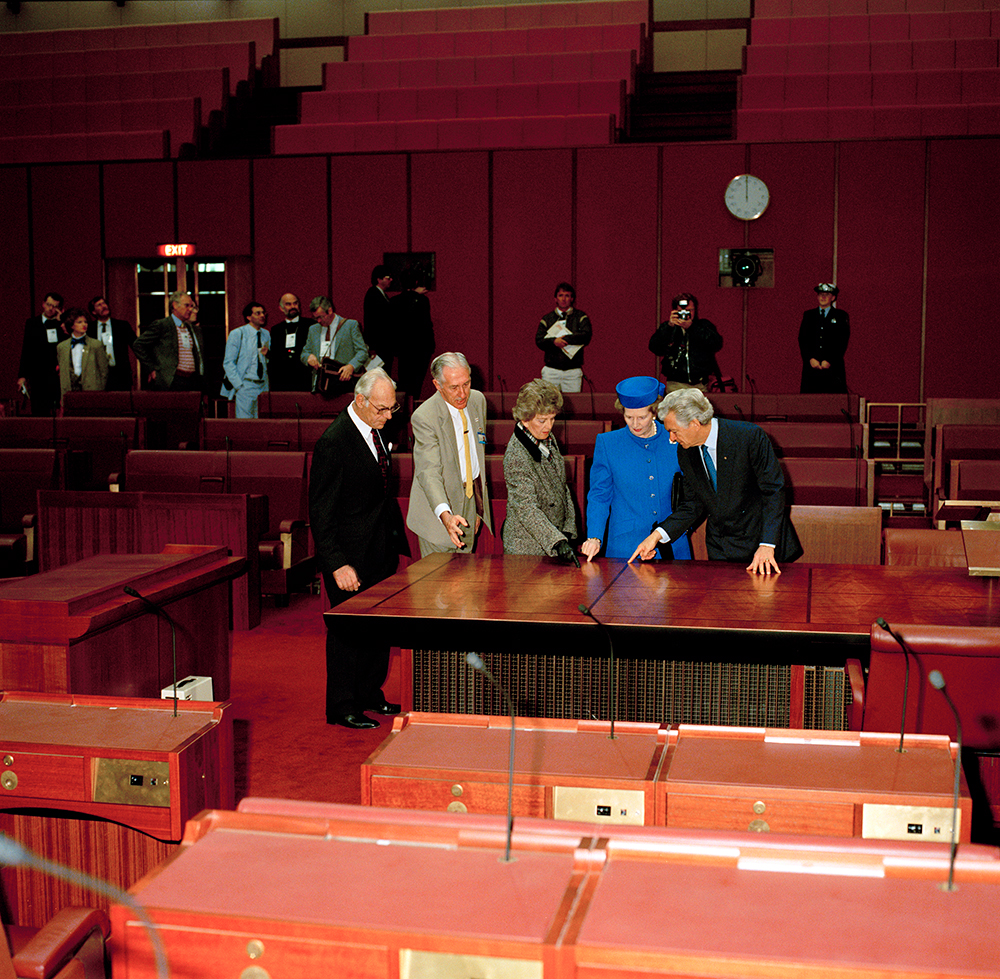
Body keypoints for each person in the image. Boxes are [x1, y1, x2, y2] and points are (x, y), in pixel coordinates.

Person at [308, 368, 407, 728]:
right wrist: (336, 563)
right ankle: (341, 705)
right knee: (348, 631)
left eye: (391, 409)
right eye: (381, 409)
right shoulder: (334, 442)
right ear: (360, 400)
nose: (387, 416)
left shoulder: (377, 430)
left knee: (377, 628)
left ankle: (368, 693)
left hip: (379, 550)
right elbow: (320, 511)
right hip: (348, 557)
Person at [629, 388, 802, 575]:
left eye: (674, 431)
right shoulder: (686, 451)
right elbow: (693, 504)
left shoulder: (748, 437)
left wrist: (767, 544)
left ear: (695, 423)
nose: (672, 439)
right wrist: (656, 536)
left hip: (762, 546)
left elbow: (773, 492)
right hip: (721, 548)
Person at [581, 376, 693, 563]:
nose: (635, 424)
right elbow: (599, 495)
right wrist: (594, 536)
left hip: (673, 543)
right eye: (628, 417)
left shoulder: (675, 438)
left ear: (655, 412)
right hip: (626, 545)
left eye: (642, 417)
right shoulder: (608, 443)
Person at [406, 351, 493, 556]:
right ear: (437, 385)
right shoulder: (424, 417)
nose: (462, 394)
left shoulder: (478, 400)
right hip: (437, 510)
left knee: (467, 579)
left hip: (470, 502)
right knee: (440, 584)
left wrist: (477, 508)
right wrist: (445, 515)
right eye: (454, 387)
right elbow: (429, 472)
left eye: (466, 384)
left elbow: (477, 456)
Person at [502, 379, 578, 562]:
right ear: (525, 419)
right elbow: (526, 509)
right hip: (527, 549)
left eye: (552, 419)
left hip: (555, 536)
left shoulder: (546, 436)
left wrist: (569, 528)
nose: (549, 426)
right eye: (542, 420)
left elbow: (561, 485)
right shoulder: (516, 456)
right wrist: (557, 542)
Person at [133, 291, 206, 392]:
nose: (190, 309)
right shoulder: (162, 325)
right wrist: (151, 368)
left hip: (191, 380)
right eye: (187, 305)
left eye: (191, 306)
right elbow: (138, 345)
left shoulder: (192, 328)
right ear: (175, 305)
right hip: (171, 380)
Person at [648, 293, 723, 392]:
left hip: (700, 384)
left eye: (689, 310)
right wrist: (669, 327)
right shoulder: (669, 328)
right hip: (675, 384)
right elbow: (655, 348)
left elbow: (716, 344)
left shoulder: (704, 326)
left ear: (695, 310)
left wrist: (692, 328)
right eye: (681, 311)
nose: (685, 314)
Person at [300, 296, 367, 395]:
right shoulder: (313, 329)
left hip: (343, 383)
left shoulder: (350, 325)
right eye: (315, 317)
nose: (318, 321)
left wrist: (351, 366)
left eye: (320, 317)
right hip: (320, 385)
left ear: (330, 311)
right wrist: (308, 357)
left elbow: (362, 352)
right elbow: (304, 353)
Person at [535, 282, 592, 393]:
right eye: (561, 296)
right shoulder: (547, 319)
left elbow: (586, 336)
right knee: (548, 406)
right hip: (551, 370)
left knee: (574, 406)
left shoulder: (581, 317)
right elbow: (539, 340)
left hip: (573, 371)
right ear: (555, 298)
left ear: (572, 298)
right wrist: (554, 342)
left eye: (567, 296)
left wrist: (566, 339)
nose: (564, 299)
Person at [17, 291, 66, 415]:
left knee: (58, 411)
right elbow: (26, 350)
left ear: (59, 309)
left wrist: (61, 322)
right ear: (43, 304)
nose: (50, 309)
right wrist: (22, 375)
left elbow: (66, 344)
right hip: (38, 375)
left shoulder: (61, 325)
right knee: (39, 411)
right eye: (49, 304)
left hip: (58, 374)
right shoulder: (32, 323)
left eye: (54, 306)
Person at [390, 268, 435, 400]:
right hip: (421, 348)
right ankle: (413, 409)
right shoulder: (422, 301)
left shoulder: (394, 301)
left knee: (404, 381)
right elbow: (426, 325)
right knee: (417, 383)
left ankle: (404, 410)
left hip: (403, 349)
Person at [220, 302, 270, 418]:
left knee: (262, 420)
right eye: (258, 313)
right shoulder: (238, 333)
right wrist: (239, 385)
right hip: (246, 383)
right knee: (245, 422)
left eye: (263, 313)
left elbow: (265, 360)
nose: (262, 315)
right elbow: (228, 362)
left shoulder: (266, 334)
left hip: (262, 385)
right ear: (249, 317)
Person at [799, 282, 849, 393]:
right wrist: (810, 359)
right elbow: (803, 339)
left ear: (833, 297)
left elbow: (842, 341)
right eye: (821, 294)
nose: (823, 297)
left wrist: (830, 360)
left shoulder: (840, 316)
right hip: (812, 368)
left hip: (833, 368)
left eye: (827, 294)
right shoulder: (808, 315)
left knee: (833, 402)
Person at [56, 307, 108, 405]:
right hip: (70, 392)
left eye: (85, 322)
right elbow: (62, 372)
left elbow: (103, 372)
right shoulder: (61, 347)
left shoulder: (96, 345)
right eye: (79, 322)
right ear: (71, 325)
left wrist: (99, 391)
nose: (84, 324)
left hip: (91, 392)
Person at [87, 296, 135, 391]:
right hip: (97, 375)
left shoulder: (122, 326)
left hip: (120, 374)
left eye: (104, 303)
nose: (103, 306)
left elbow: (137, 346)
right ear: (93, 312)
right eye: (99, 305)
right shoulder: (89, 329)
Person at [268, 292, 313, 392]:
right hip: (282, 380)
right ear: (281, 308)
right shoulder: (276, 329)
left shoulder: (310, 325)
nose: (293, 306)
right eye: (288, 304)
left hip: (305, 378)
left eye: (295, 303)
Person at [363, 265, 395, 376]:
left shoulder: (383, 295)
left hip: (384, 344)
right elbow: (370, 322)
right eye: (388, 277)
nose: (391, 280)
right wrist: (372, 347)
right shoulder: (373, 294)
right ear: (379, 279)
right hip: (379, 345)